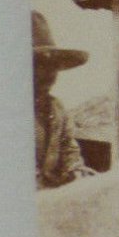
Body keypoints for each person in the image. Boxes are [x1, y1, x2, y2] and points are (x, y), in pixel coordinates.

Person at [32, 11, 93, 189]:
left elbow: (69, 150)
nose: (49, 73)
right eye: (40, 65)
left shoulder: (57, 109)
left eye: (53, 66)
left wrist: (76, 171)